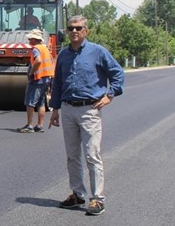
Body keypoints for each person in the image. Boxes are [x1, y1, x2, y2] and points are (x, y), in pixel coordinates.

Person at [49, 15, 124, 216]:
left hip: (89, 110)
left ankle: (97, 199)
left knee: (92, 155)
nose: (74, 31)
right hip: (67, 109)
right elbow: (57, 83)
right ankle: (77, 194)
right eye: (71, 28)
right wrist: (54, 109)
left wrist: (110, 94)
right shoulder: (64, 55)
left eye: (78, 28)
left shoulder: (97, 52)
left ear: (86, 31)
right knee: (72, 156)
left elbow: (117, 73)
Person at [18, 29, 54, 133]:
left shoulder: (36, 49)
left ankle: (29, 125)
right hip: (46, 79)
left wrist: (31, 72)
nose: (29, 39)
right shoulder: (45, 48)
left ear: (35, 39)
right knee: (41, 102)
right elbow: (50, 60)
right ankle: (39, 125)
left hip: (37, 79)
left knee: (30, 102)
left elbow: (38, 60)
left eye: (30, 38)